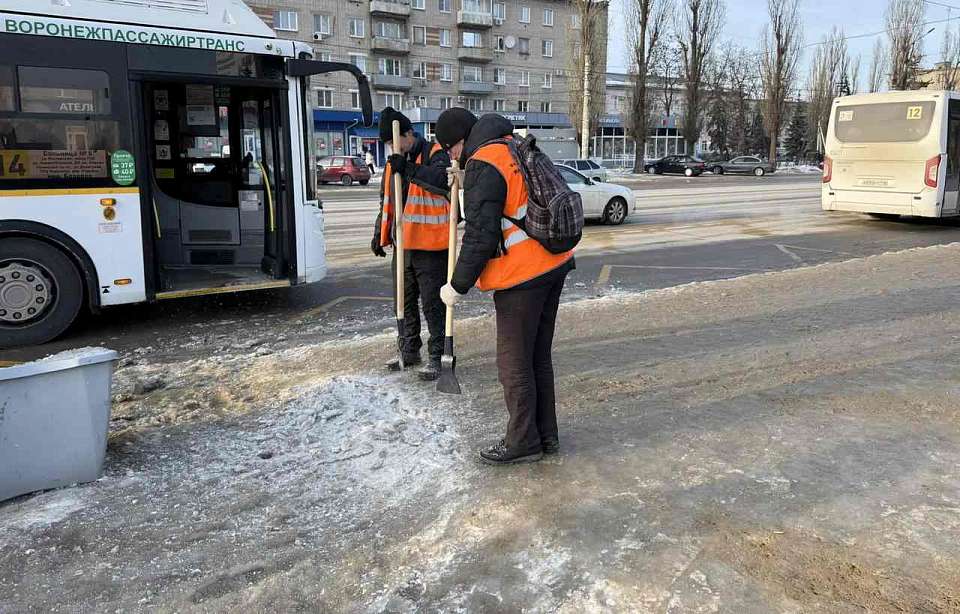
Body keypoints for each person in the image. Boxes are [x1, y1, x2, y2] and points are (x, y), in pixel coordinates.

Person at [434, 108, 575, 466]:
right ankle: (546, 435)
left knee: (513, 365)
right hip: (553, 263)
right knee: (537, 358)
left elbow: (481, 235)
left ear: (461, 142)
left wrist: (457, 285)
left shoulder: (483, 162)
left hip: (522, 276)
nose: (452, 156)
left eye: (450, 149)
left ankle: (523, 441)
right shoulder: (511, 146)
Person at [372, 107, 452, 380]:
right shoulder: (394, 161)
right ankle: (409, 350)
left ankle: (438, 356)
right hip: (403, 244)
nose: (390, 147)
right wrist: (378, 233)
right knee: (403, 301)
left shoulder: (434, 153)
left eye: (393, 141)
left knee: (432, 304)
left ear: (408, 134)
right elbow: (387, 201)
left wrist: (408, 168)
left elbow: (443, 182)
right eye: (386, 143)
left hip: (430, 246)